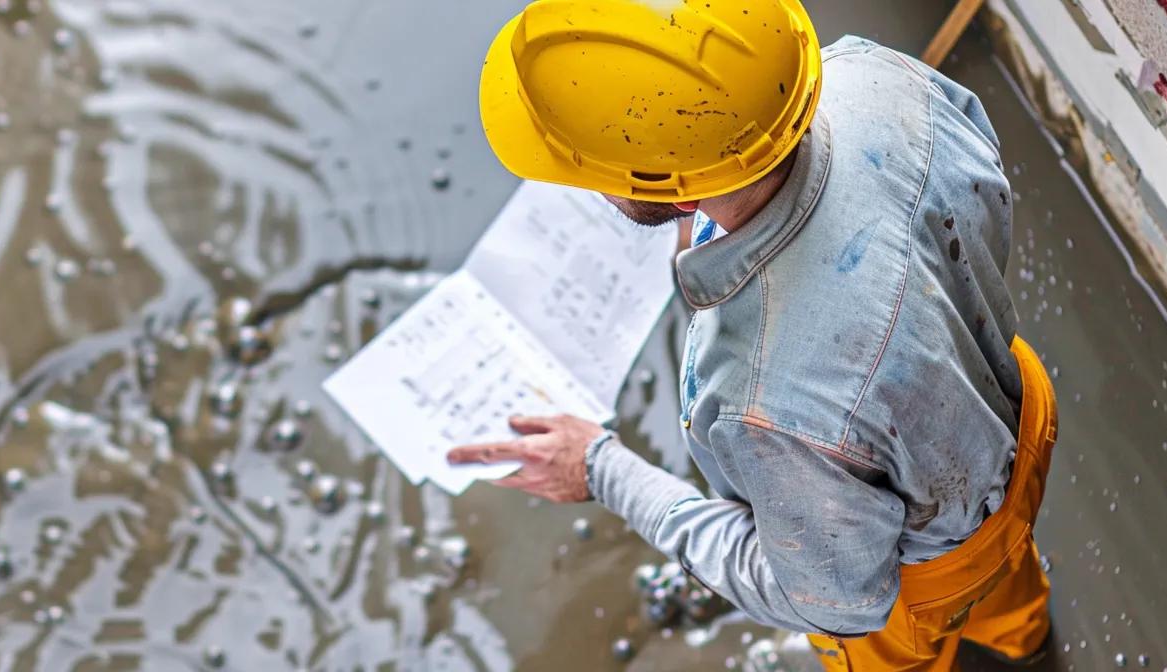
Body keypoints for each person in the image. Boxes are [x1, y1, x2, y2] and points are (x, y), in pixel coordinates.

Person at [449, 1, 1060, 669]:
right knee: (1010, 598)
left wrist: (603, 469)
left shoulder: (758, 400)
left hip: (925, 578)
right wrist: (721, 225)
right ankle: (1028, 643)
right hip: (1015, 426)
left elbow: (835, 602)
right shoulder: (878, 74)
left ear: (678, 195)